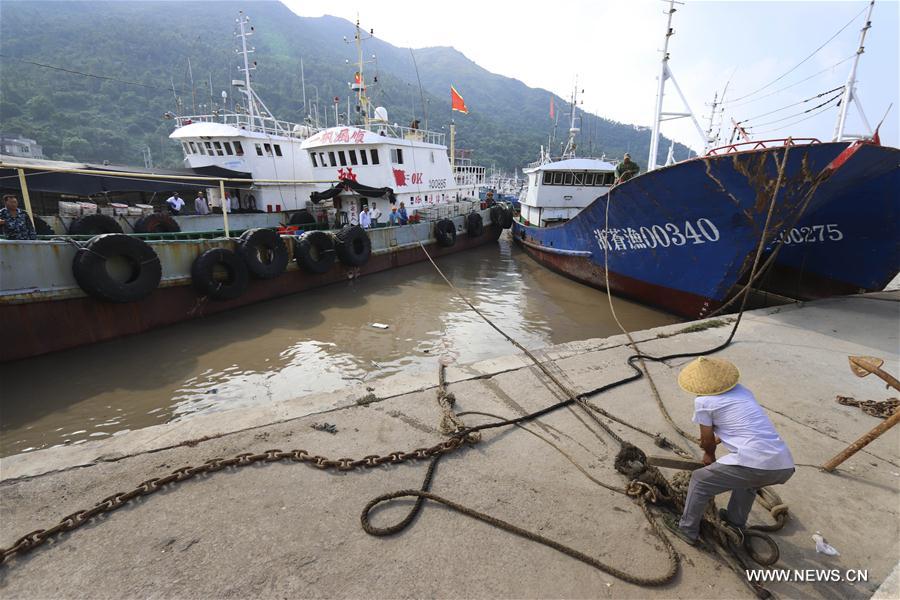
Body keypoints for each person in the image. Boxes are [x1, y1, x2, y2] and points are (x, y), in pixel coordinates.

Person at [669, 357, 795, 546]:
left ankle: (687, 530)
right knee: (747, 483)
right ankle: (735, 522)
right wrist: (719, 440)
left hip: (755, 462)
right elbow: (740, 425)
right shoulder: (743, 391)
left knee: (700, 480)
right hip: (783, 465)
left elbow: (706, 439)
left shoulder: (703, 402)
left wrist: (709, 454)